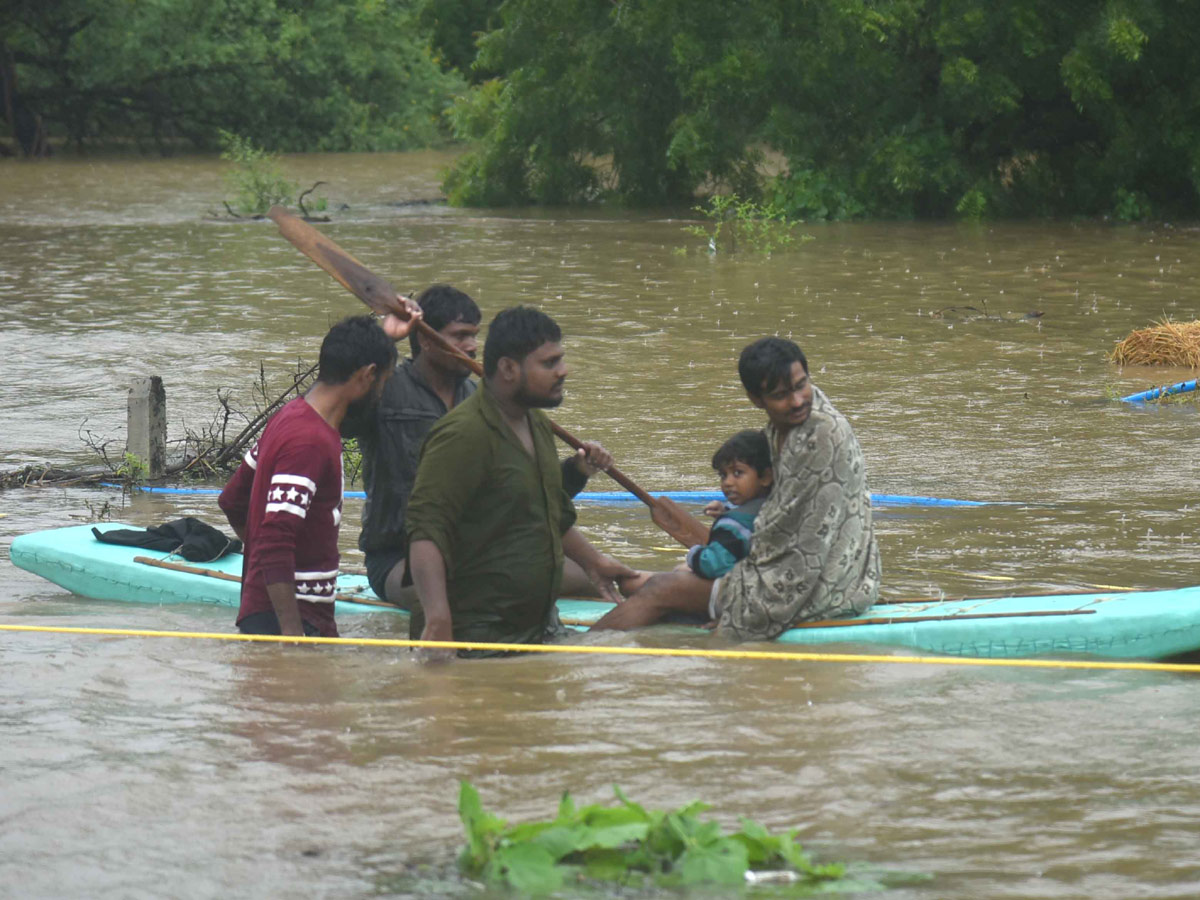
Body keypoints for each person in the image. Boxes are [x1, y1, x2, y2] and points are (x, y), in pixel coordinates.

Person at [343, 284, 615, 609]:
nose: (472, 347)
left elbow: (525, 499)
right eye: (460, 336)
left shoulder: (482, 400)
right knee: (478, 594)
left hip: (477, 554)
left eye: (474, 335)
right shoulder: (385, 390)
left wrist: (576, 470)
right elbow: (339, 409)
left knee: (599, 582)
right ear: (427, 339)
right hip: (398, 559)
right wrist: (386, 337)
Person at [594, 337, 881, 639]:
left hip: (821, 586)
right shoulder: (782, 430)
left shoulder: (819, 438)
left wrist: (739, 606)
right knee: (643, 582)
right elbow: (776, 521)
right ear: (756, 399)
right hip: (788, 571)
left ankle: (571, 653)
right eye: (781, 395)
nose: (797, 401)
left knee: (660, 589)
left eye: (801, 386)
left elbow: (800, 548)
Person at [405, 306, 636, 654]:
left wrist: (593, 562)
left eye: (561, 360)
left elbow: (550, 511)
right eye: (549, 363)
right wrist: (439, 622)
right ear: (509, 369)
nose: (563, 371)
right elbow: (425, 531)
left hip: (535, 627)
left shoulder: (537, 424)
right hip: (476, 637)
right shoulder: (463, 434)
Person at [219, 313, 414, 637]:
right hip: (292, 622)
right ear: (367, 376)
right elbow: (274, 537)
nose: (381, 396)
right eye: (383, 383)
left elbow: (232, 500)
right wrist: (293, 637)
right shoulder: (310, 440)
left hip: (274, 615)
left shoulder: (288, 416)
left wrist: (258, 577)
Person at [686, 429, 773, 579]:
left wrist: (694, 554)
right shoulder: (779, 506)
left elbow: (713, 565)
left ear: (765, 477)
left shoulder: (732, 525)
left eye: (738, 473)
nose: (727, 482)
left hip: (743, 591)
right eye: (723, 475)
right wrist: (727, 512)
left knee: (678, 573)